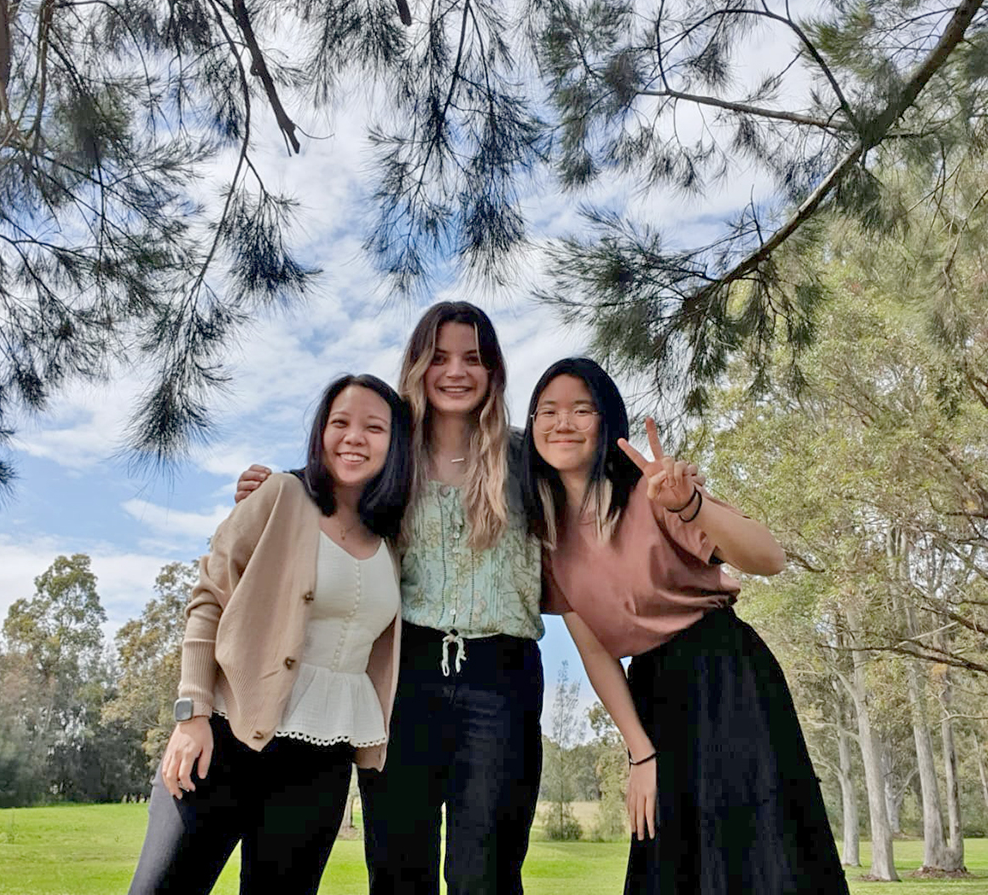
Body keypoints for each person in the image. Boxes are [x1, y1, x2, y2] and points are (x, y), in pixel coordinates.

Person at [234, 302, 544, 895]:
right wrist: (272, 488)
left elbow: (596, 490)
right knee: (400, 863)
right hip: (406, 675)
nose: (455, 371)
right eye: (440, 357)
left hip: (502, 678)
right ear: (418, 365)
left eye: (473, 359)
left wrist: (679, 502)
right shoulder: (392, 456)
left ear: (494, 371)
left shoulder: (525, 457)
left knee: (488, 868)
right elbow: (329, 486)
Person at [521, 357, 850, 895]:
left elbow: (769, 558)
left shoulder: (655, 492)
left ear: (606, 422)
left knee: (758, 849)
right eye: (548, 411)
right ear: (532, 424)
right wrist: (640, 752)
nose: (563, 423)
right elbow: (596, 653)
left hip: (727, 676)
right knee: (673, 860)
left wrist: (692, 505)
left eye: (582, 410)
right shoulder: (549, 539)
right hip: (655, 692)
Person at [128, 373, 412, 895]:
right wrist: (190, 716)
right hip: (224, 738)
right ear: (320, 432)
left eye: (375, 427)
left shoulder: (394, 537)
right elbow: (209, 597)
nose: (355, 437)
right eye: (340, 422)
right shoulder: (281, 494)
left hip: (321, 761)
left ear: (395, 446)